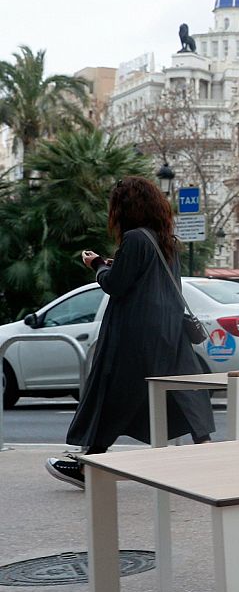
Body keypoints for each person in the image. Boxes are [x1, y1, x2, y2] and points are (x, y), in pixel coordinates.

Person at [46, 176, 214, 488]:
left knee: (113, 393)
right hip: (169, 330)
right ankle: (207, 453)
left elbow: (115, 285)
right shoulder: (167, 241)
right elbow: (152, 280)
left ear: (125, 209)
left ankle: (88, 466)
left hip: (135, 331)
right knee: (181, 393)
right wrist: (115, 264)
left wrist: (97, 264)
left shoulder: (135, 239)